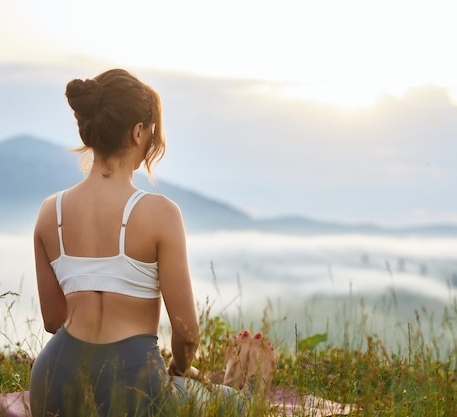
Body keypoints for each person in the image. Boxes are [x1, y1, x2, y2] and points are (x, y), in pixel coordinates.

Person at [28, 68, 276, 417]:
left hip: (53, 382)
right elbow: (187, 332)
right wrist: (178, 369)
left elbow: (54, 320)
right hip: (132, 385)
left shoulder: (47, 212)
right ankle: (247, 391)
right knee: (235, 406)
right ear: (138, 131)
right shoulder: (160, 214)